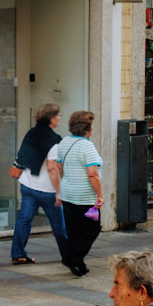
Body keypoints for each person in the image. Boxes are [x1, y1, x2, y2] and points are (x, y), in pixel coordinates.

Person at [10, 103, 69, 265]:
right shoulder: (54, 140)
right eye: (58, 115)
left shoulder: (32, 133)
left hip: (28, 185)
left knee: (24, 220)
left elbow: (23, 155)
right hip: (46, 189)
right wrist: (58, 192)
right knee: (58, 224)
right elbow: (52, 169)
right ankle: (68, 255)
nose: (59, 118)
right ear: (51, 118)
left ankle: (18, 253)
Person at [56, 111, 103, 277]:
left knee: (74, 229)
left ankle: (79, 264)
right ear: (87, 129)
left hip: (68, 194)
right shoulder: (87, 146)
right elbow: (93, 174)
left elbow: (59, 167)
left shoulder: (64, 142)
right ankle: (72, 257)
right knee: (92, 229)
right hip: (86, 198)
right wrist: (100, 195)